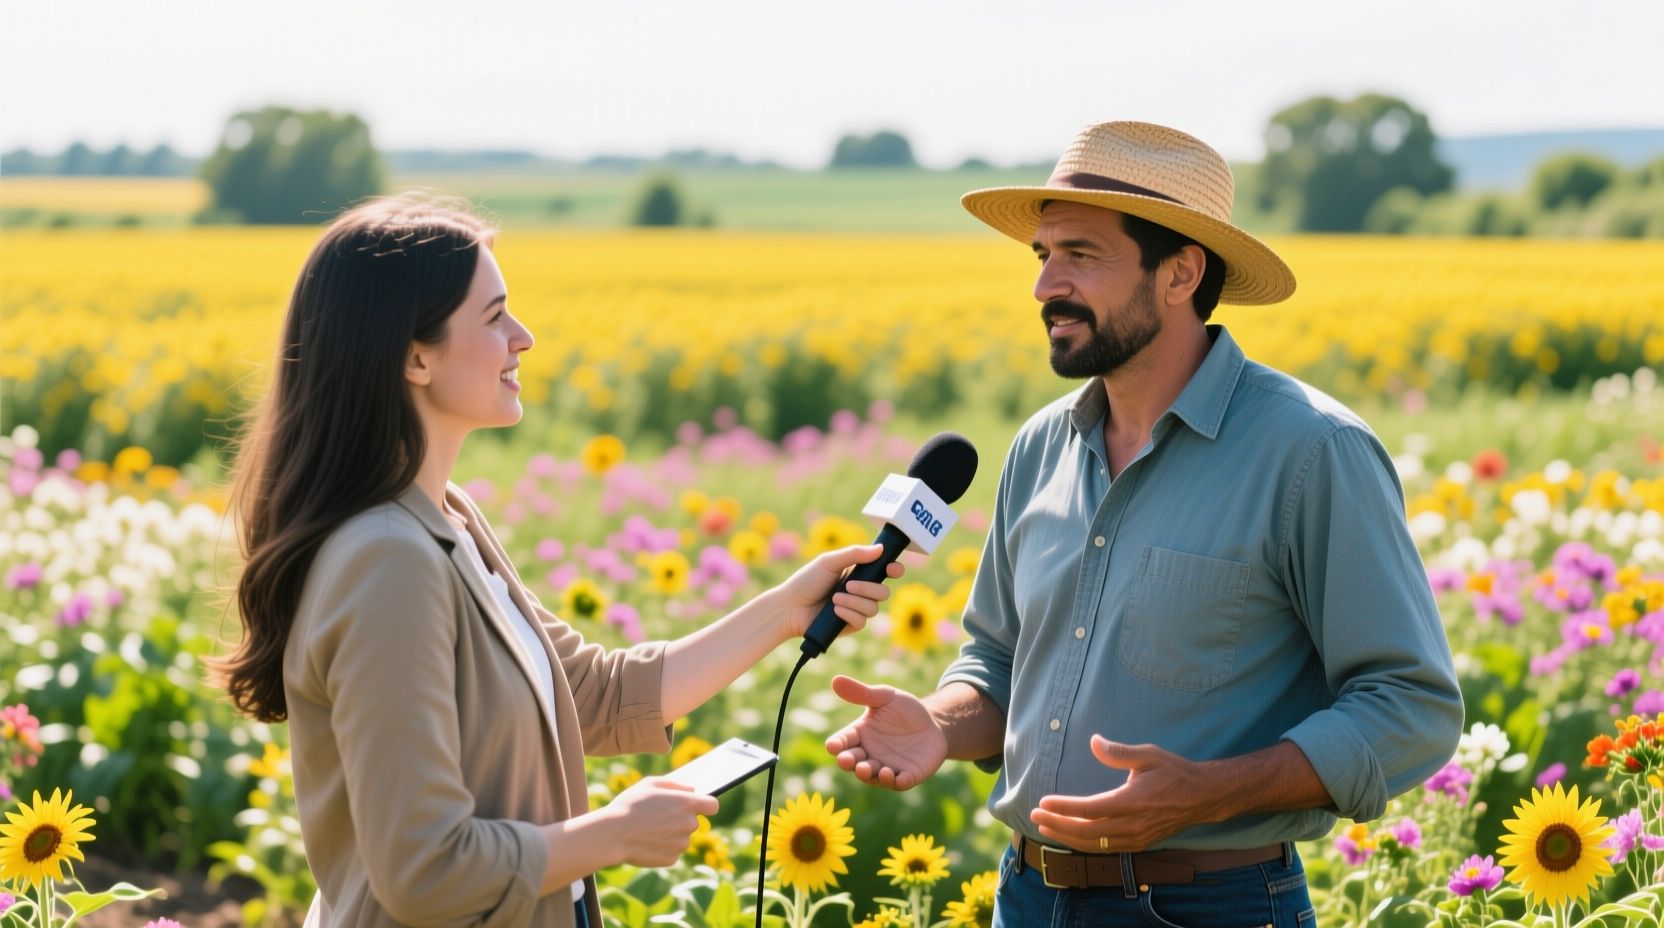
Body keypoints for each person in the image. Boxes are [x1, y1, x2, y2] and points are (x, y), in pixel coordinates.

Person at [825, 121, 1463, 926]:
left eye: (1081, 255)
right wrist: (939, 727)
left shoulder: (1311, 452)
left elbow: (1411, 704)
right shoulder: (1037, 447)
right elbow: (997, 659)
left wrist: (1208, 793)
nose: (1045, 286)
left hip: (1214, 905)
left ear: (1181, 272)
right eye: (1042, 255)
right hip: (1025, 898)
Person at [218, 196, 901, 928]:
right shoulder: (389, 560)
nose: (524, 337)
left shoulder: (447, 518)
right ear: (414, 356)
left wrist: (785, 612)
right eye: (494, 317)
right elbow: (423, 869)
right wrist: (612, 833)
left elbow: (591, 694)